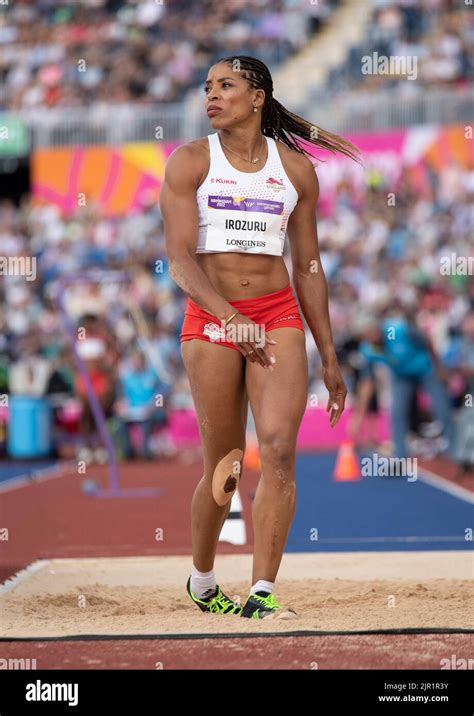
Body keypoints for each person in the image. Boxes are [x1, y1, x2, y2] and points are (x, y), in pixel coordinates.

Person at [160, 55, 358, 619]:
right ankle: (202, 578)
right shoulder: (190, 161)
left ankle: (263, 591)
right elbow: (178, 260)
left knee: (277, 451)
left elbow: (310, 267)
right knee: (225, 466)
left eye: (226, 85)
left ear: (257, 97)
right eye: (206, 87)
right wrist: (227, 316)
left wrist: (329, 355)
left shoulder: (294, 170)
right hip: (211, 321)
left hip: (276, 316)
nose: (211, 95)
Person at [356, 311, 455, 460]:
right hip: (401, 377)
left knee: (441, 408)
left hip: (426, 371)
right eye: (365, 336)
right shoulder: (367, 349)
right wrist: (358, 416)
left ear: (376, 328)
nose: (369, 338)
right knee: (397, 412)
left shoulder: (398, 330)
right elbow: (367, 382)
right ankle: (400, 454)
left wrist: (439, 368)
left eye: (370, 332)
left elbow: (426, 340)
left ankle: (454, 450)